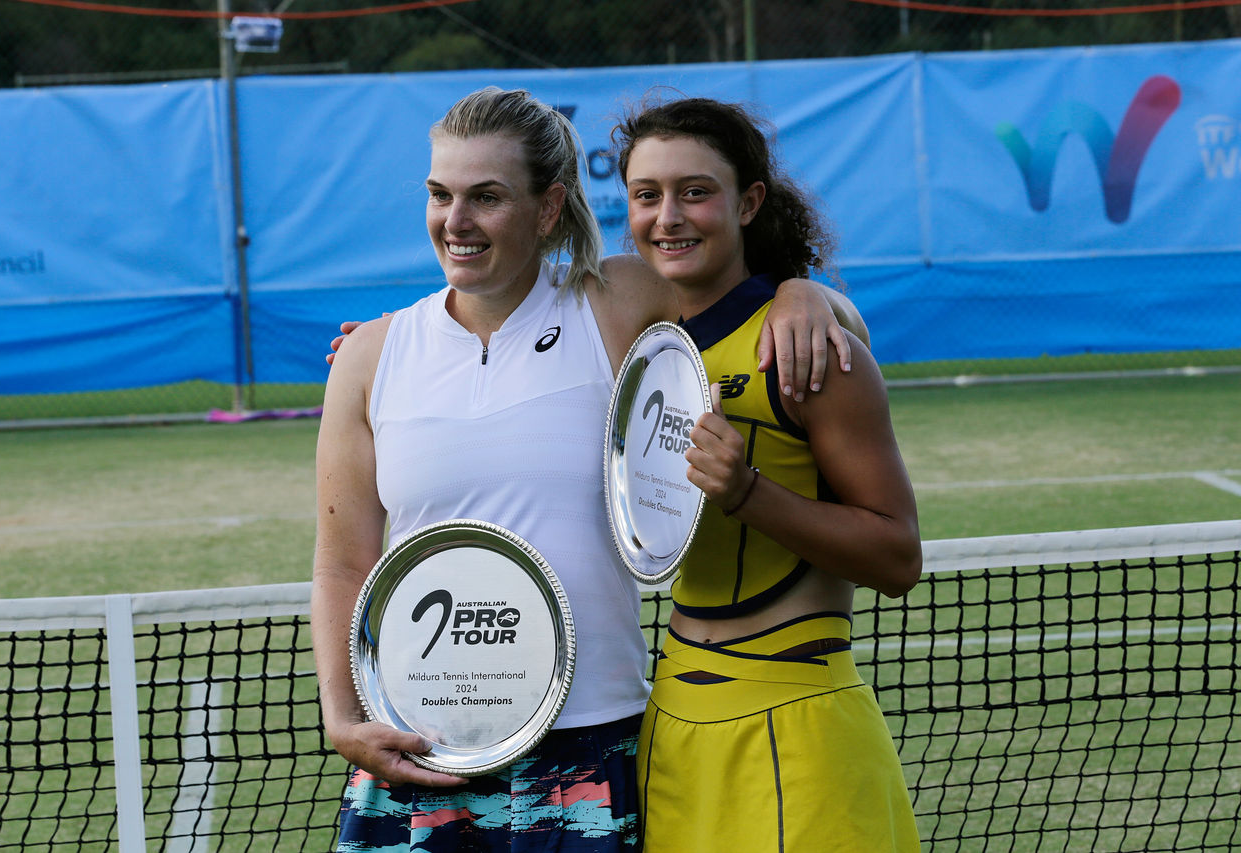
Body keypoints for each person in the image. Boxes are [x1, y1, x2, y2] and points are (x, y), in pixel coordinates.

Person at [311, 86, 868, 852]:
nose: (456, 221)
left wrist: (806, 296)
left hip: (590, 748)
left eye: (487, 197)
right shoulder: (373, 357)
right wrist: (343, 716)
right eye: (440, 195)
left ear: (548, 209)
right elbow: (344, 563)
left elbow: (757, 303)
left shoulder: (615, 302)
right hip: (424, 750)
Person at [611, 97, 922, 852]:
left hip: (799, 725)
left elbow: (898, 556)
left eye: (695, 191)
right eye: (647, 195)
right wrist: (390, 348)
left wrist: (748, 492)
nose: (668, 216)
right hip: (670, 731)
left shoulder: (806, 347)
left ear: (748, 202)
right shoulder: (644, 348)